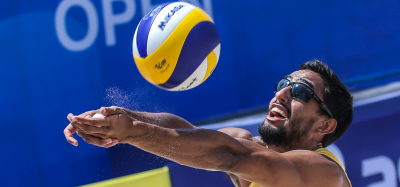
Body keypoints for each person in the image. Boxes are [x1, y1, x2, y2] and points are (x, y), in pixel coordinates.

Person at [64, 59, 353, 187]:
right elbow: (185, 132)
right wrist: (115, 116)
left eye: (300, 92)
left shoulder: (325, 174)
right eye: (283, 84)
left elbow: (226, 154)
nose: (281, 93)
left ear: (324, 126)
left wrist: (131, 131)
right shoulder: (252, 155)